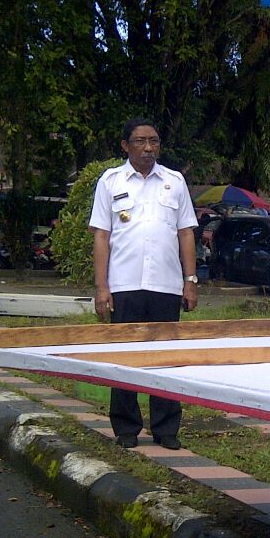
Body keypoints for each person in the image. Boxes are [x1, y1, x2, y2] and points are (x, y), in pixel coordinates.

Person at [90, 118, 199, 450]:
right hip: (124, 284)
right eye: (140, 141)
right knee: (124, 357)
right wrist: (101, 288)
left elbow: (186, 234)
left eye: (153, 141)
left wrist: (190, 280)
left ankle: (166, 429)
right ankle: (126, 428)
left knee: (165, 358)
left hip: (166, 285)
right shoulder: (110, 182)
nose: (148, 148)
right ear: (125, 145)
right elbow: (101, 236)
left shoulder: (174, 182)